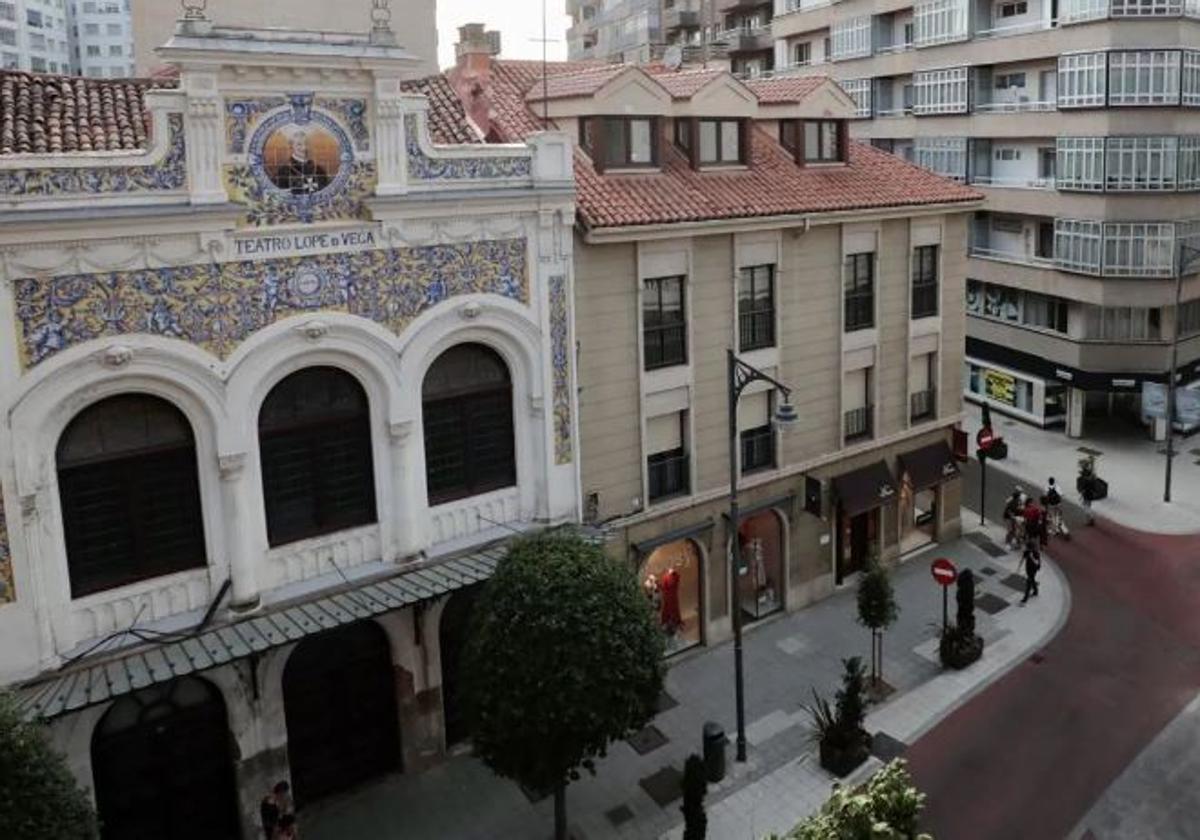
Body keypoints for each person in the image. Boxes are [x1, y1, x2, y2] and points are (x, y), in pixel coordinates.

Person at [270, 128, 331, 196]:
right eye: (299, 144)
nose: (304, 148)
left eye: (306, 143)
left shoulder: (319, 170)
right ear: (291, 147)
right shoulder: (283, 172)